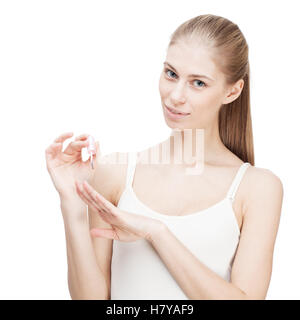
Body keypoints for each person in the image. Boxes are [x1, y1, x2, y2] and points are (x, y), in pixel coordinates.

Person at [45, 14, 284, 300]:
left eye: (198, 83)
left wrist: (157, 233)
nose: (175, 96)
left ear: (233, 91)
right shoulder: (115, 173)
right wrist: (73, 201)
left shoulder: (256, 187)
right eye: (171, 74)